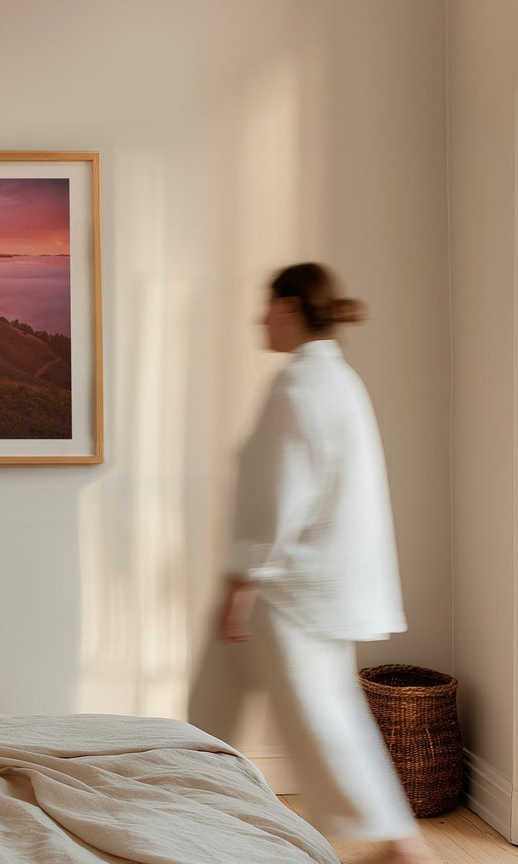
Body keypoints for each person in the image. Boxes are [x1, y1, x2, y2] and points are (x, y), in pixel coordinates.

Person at [188, 263, 437, 864]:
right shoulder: (336, 379)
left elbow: (279, 497)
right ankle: (200, 810)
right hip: (313, 582)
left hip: (291, 586)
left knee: (323, 714)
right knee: (222, 699)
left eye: (266, 305)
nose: (259, 318)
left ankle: (403, 844)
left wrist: (241, 581)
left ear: (291, 307)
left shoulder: (298, 386)